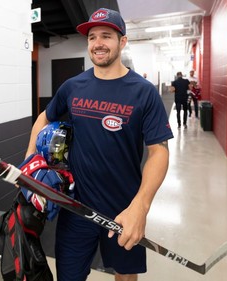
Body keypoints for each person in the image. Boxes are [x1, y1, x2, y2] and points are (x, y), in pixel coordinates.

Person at [25, 7, 174, 281]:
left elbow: (158, 152)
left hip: (124, 209)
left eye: (106, 36)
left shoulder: (143, 92)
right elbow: (43, 120)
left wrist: (140, 207)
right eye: (92, 37)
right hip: (75, 208)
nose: (98, 43)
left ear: (122, 41)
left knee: (125, 275)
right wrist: (30, 165)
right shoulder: (72, 86)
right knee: (68, 276)